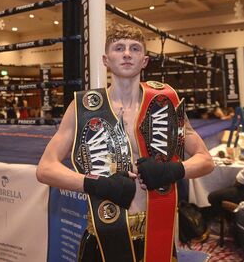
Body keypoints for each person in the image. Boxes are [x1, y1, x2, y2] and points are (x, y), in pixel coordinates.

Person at [36, 23, 214, 261]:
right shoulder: (83, 108)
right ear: (106, 60)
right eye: (119, 48)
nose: (127, 53)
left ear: (145, 61)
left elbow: (206, 160)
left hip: (156, 231)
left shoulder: (164, 104)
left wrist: (173, 169)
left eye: (135, 48)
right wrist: (96, 185)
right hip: (104, 232)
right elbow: (45, 169)